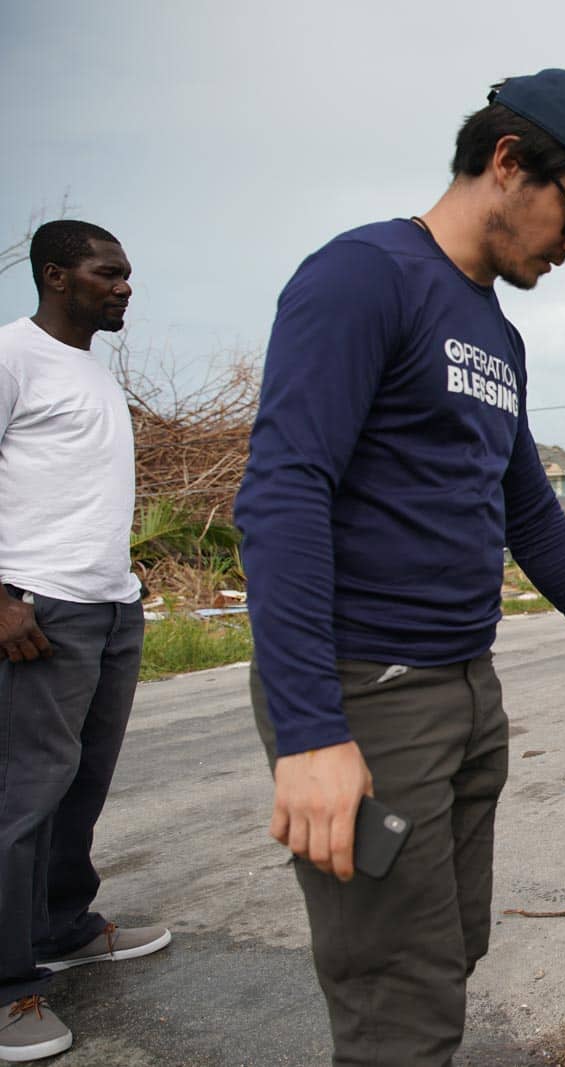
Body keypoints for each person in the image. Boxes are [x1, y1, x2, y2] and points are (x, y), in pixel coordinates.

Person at [233, 71, 565, 1065]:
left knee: (449, 952)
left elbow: (529, 509)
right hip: (369, 694)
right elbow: (284, 492)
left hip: (466, 690)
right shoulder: (364, 277)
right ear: (508, 161)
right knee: (400, 1004)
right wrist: (310, 731)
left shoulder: (495, 332)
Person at [0, 221, 171, 1063]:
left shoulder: (93, 372)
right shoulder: (12, 356)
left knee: (82, 783)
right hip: (40, 609)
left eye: (128, 273)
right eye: (109, 272)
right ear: (56, 275)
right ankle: (7, 987)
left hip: (109, 606)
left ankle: (62, 924)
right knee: (23, 796)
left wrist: (124, 588)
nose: (125, 286)